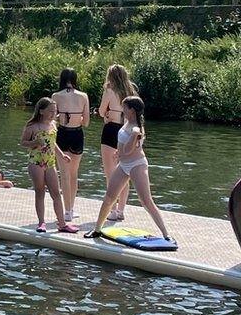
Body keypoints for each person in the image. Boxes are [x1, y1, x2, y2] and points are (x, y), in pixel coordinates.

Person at [85, 96, 173, 241]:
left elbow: (127, 150)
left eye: (124, 107)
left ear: (131, 110)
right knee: (109, 197)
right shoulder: (127, 122)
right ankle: (97, 229)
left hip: (137, 165)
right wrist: (117, 152)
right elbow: (122, 148)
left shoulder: (136, 129)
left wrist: (131, 139)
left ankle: (165, 234)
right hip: (124, 165)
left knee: (146, 201)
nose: (122, 110)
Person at [21, 98, 80, 233]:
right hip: (36, 162)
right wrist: (34, 142)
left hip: (50, 162)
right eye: (50, 111)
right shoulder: (32, 126)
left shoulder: (53, 125)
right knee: (40, 192)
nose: (53, 113)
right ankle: (41, 222)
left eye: (55, 111)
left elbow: (52, 143)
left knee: (56, 193)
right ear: (41, 111)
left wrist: (61, 155)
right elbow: (23, 142)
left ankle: (62, 223)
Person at [98, 64, 137, 221]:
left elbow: (101, 110)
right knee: (124, 172)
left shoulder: (109, 90)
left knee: (110, 173)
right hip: (127, 131)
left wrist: (106, 116)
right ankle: (121, 210)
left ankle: (112, 209)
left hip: (111, 130)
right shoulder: (131, 90)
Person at [52, 68, 90, 222]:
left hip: (62, 134)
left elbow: (51, 119)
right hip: (77, 134)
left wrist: (63, 116)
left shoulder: (56, 96)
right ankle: (71, 209)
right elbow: (86, 122)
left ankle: (66, 211)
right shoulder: (83, 96)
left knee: (64, 174)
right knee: (74, 174)